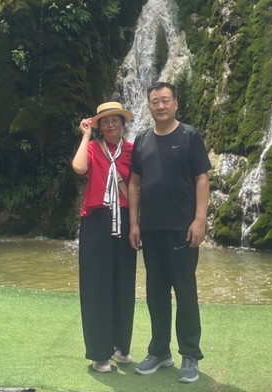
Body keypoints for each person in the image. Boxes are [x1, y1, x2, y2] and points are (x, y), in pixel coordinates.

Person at [128, 82, 211, 384]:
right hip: (151, 230)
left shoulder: (189, 136)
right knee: (155, 294)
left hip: (182, 230)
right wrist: (134, 223)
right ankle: (159, 351)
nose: (160, 106)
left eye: (165, 100)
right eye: (154, 101)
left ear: (176, 104)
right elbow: (134, 182)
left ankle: (190, 354)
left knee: (185, 293)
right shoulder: (142, 140)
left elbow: (202, 178)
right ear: (148, 106)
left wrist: (199, 219)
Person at [72, 100, 137, 373]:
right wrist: (86, 134)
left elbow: (136, 187)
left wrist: (136, 224)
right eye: (105, 121)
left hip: (124, 219)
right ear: (99, 126)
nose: (111, 125)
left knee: (123, 284)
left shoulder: (132, 151)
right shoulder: (92, 148)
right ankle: (99, 353)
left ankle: (121, 347)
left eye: (115, 120)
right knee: (96, 285)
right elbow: (78, 167)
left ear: (123, 123)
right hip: (96, 220)